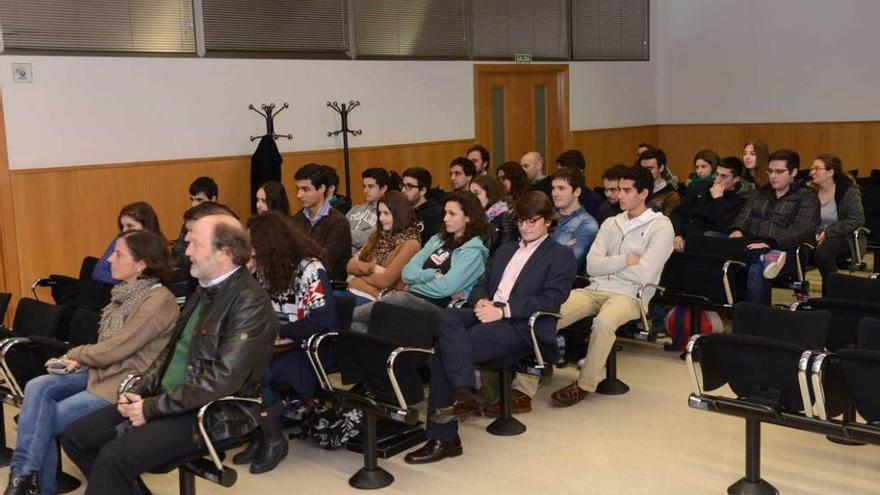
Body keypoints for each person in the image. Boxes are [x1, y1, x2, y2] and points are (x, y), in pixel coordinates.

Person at [61, 215, 278, 495]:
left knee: (113, 458)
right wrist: (140, 391)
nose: (186, 253)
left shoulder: (251, 302)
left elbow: (221, 380)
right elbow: (170, 351)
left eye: (195, 245)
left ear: (224, 252)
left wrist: (150, 409)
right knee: (77, 437)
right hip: (167, 400)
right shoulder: (205, 289)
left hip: (209, 413)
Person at [403, 192, 576, 464]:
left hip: (520, 324)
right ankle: (463, 396)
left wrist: (503, 310)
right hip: (488, 311)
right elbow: (483, 281)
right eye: (520, 221)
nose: (525, 227)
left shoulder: (560, 255)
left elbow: (551, 300)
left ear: (547, 222)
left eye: (532, 221)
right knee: (445, 319)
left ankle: (445, 436)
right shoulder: (506, 249)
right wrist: (481, 300)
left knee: (443, 353)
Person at [4, 231, 178, 495]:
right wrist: (79, 361)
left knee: (42, 420)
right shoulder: (123, 293)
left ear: (141, 264)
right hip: (101, 371)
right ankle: (23, 478)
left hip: (124, 382)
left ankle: (27, 482)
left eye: (118, 254)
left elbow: (120, 347)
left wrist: (76, 355)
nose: (109, 259)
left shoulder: (159, 301)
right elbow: (107, 348)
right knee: (38, 387)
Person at [548, 166, 673, 407]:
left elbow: (646, 272)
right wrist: (625, 260)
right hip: (595, 288)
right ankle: (530, 376)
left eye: (627, 191)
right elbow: (593, 266)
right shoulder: (610, 223)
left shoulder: (661, 226)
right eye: (619, 190)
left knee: (604, 322)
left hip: (631, 296)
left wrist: (612, 265)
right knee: (548, 311)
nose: (620, 196)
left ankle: (584, 384)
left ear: (644, 193)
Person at [235, 211, 338, 474]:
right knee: (234, 364)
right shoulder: (262, 270)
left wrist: (280, 330)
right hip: (275, 345)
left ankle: (273, 439)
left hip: (309, 349)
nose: (251, 253)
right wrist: (244, 278)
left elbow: (324, 322)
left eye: (255, 246)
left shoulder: (309, 269)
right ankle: (260, 433)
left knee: (257, 371)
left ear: (271, 245)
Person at [349, 191, 489, 333]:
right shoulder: (438, 239)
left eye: (452, 214)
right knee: (356, 327)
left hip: (439, 310)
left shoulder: (474, 252)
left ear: (468, 218)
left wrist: (415, 285)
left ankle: (342, 316)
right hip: (412, 300)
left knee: (397, 299)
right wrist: (432, 274)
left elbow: (445, 288)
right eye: (445, 213)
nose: (445, 218)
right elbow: (407, 272)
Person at [729, 149, 820, 305]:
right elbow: (744, 216)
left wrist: (772, 242)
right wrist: (737, 229)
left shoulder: (807, 197)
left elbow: (802, 229)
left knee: (759, 266)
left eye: (779, 171)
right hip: (752, 244)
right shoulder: (761, 192)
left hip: (787, 250)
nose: (772, 176)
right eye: (770, 171)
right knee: (713, 240)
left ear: (793, 172)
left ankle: (755, 318)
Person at [346, 191, 422, 305]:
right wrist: (372, 267)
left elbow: (385, 281)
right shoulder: (378, 235)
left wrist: (358, 276)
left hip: (377, 300)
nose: (381, 218)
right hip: (356, 292)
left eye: (386, 213)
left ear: (399, 214)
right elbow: (350, 265)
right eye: (380, 213)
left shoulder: (411, 244)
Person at [809, 154, 865, 294]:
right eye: (812, 168)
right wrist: (816, 232)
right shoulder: (809, 191)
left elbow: (856, 219)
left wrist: (828, 232)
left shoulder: (848, 191)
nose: (812, 172)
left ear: (830, 172)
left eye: (817, 168)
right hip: (813, 234)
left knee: (823, 252)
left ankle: (834, 293)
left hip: (844, 236)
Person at [670, 156, 747, 252]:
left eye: (723, 176)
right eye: (717, 174)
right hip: (684, 233)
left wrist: (718, 199)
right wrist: (678, 234)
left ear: (736, 179)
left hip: (706, 241)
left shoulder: (739, 201)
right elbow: (677, 213)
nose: (717, 179)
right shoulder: (701, 188)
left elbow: (726, 228)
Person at [291, 163, 352, 281]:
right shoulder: (298, 219)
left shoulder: (338, 222)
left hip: (329, 285)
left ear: (322, 189)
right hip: (302, 281)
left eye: (305, 189)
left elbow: (323, 262)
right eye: (298, 189)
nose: (299, 195)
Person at [93, 202, 164, 285]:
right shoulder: (120, 240)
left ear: (146, 226)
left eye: (130, 226)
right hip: (115, 290)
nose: (124, 231)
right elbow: (98, 272)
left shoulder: (156, 246)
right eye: (122, 226)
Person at [550, 167, 598, 272]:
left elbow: (568, 261)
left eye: (561, 188)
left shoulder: (587, 224)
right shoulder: (545, 217)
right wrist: (560, 249)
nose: (554, 193)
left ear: (577, 192)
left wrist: (542, 251)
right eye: (553, 188)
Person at [347, 168, 400, 254]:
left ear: (383, 189)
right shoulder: (355, 209)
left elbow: (368, 238)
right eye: (364, 186)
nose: (365, 191)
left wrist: (342, 235)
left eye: (370, 186)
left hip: (361, 257)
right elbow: (340, 229)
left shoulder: (385, 215)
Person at [470, 175, 518, 255]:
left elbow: (506, 253)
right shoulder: (476, 217)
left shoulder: (505, 218)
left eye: (477, 193)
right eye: (470, 194)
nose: (472, 198)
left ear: (490, 193)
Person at [402, 167, 442, 246]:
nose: (403, 190)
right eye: (403, 185)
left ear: (422, 191)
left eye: (409, 186)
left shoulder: (435, 213)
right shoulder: (401, 209)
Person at [638, 148, 681, 216]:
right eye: (642, 169)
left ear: (661, 168)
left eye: (649, 169)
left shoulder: (671, 196)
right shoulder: (637, 190)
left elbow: (668, 223)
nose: (644, 172)